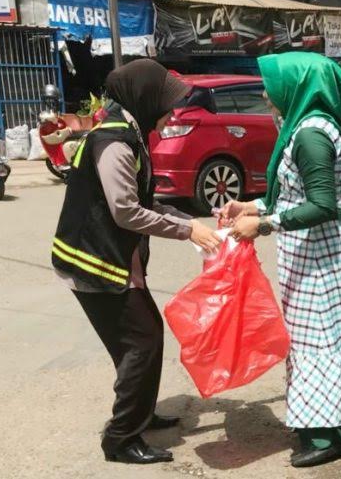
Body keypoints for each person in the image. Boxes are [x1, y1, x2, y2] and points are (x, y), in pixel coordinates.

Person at [220, 52, 341, 468]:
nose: (266, 93)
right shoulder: (306, 128)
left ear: (297, 86)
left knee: (319, 342)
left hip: (322, 258)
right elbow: (291, 197)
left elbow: (322, 206)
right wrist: (251, 207)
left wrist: (262, 225)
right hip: (320, 253)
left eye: (273, 85)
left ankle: (325, 436)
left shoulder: (310, 135)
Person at [51, 59, 221, 465]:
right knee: (141, 342)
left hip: (110, 256)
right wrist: (187, 232)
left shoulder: (128, 131)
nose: (171, 115)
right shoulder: (115, 141)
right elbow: (125, 211)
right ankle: (121, 438)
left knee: (138, 342)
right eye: (166, 106)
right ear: (146, 100)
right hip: (95, 260)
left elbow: (144, 200)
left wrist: (189, 220)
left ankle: (139, 412)